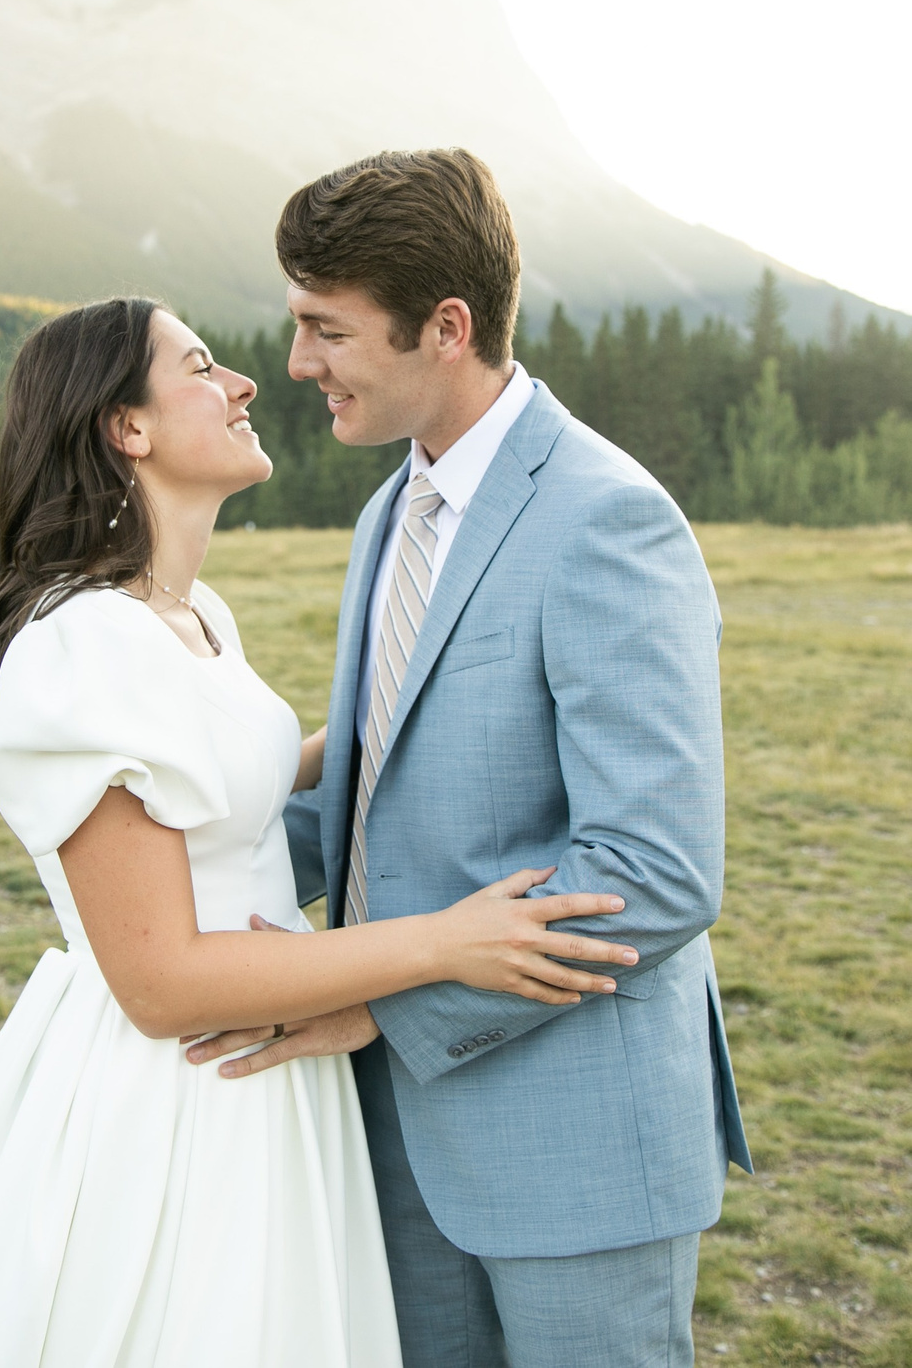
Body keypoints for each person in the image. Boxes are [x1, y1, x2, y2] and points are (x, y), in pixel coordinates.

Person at [0, 296, 633, 1368]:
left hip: (274, 1068)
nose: (247, 381)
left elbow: (230, 788)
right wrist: (443, 944)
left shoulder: (196, 616)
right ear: (128, 429)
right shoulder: (83, 646)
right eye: (202, 366)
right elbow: (162, 984)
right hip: (178, 1095)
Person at [184, 149, 753, 1368]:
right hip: (394, 1143)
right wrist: (159, 867)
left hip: (576, 1145)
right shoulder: (392, 509)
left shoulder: (606, 518)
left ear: (444, 327)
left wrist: (378, 1001)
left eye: (324, 329)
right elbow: (379, 798)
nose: (294, 365)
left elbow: (650, 868)